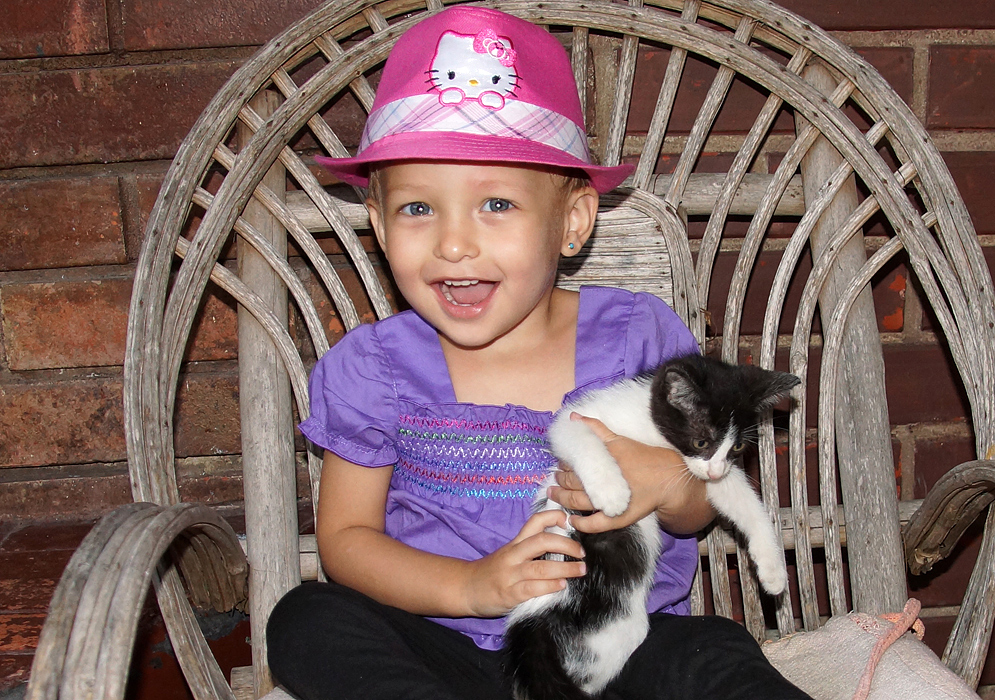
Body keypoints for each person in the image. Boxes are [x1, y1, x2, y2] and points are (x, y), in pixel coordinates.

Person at [266, 6, 811, 699]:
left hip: (613, 641)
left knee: (712, 653)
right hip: (443, 647)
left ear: (572, 221)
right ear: (376, 221)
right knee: (308, 619)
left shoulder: (638, 338)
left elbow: (696, 514)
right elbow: (345, 540)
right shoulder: (374, 368)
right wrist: (469, 587)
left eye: (495, 205)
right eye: (416, 209)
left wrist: (669, 481)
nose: (453, 243)